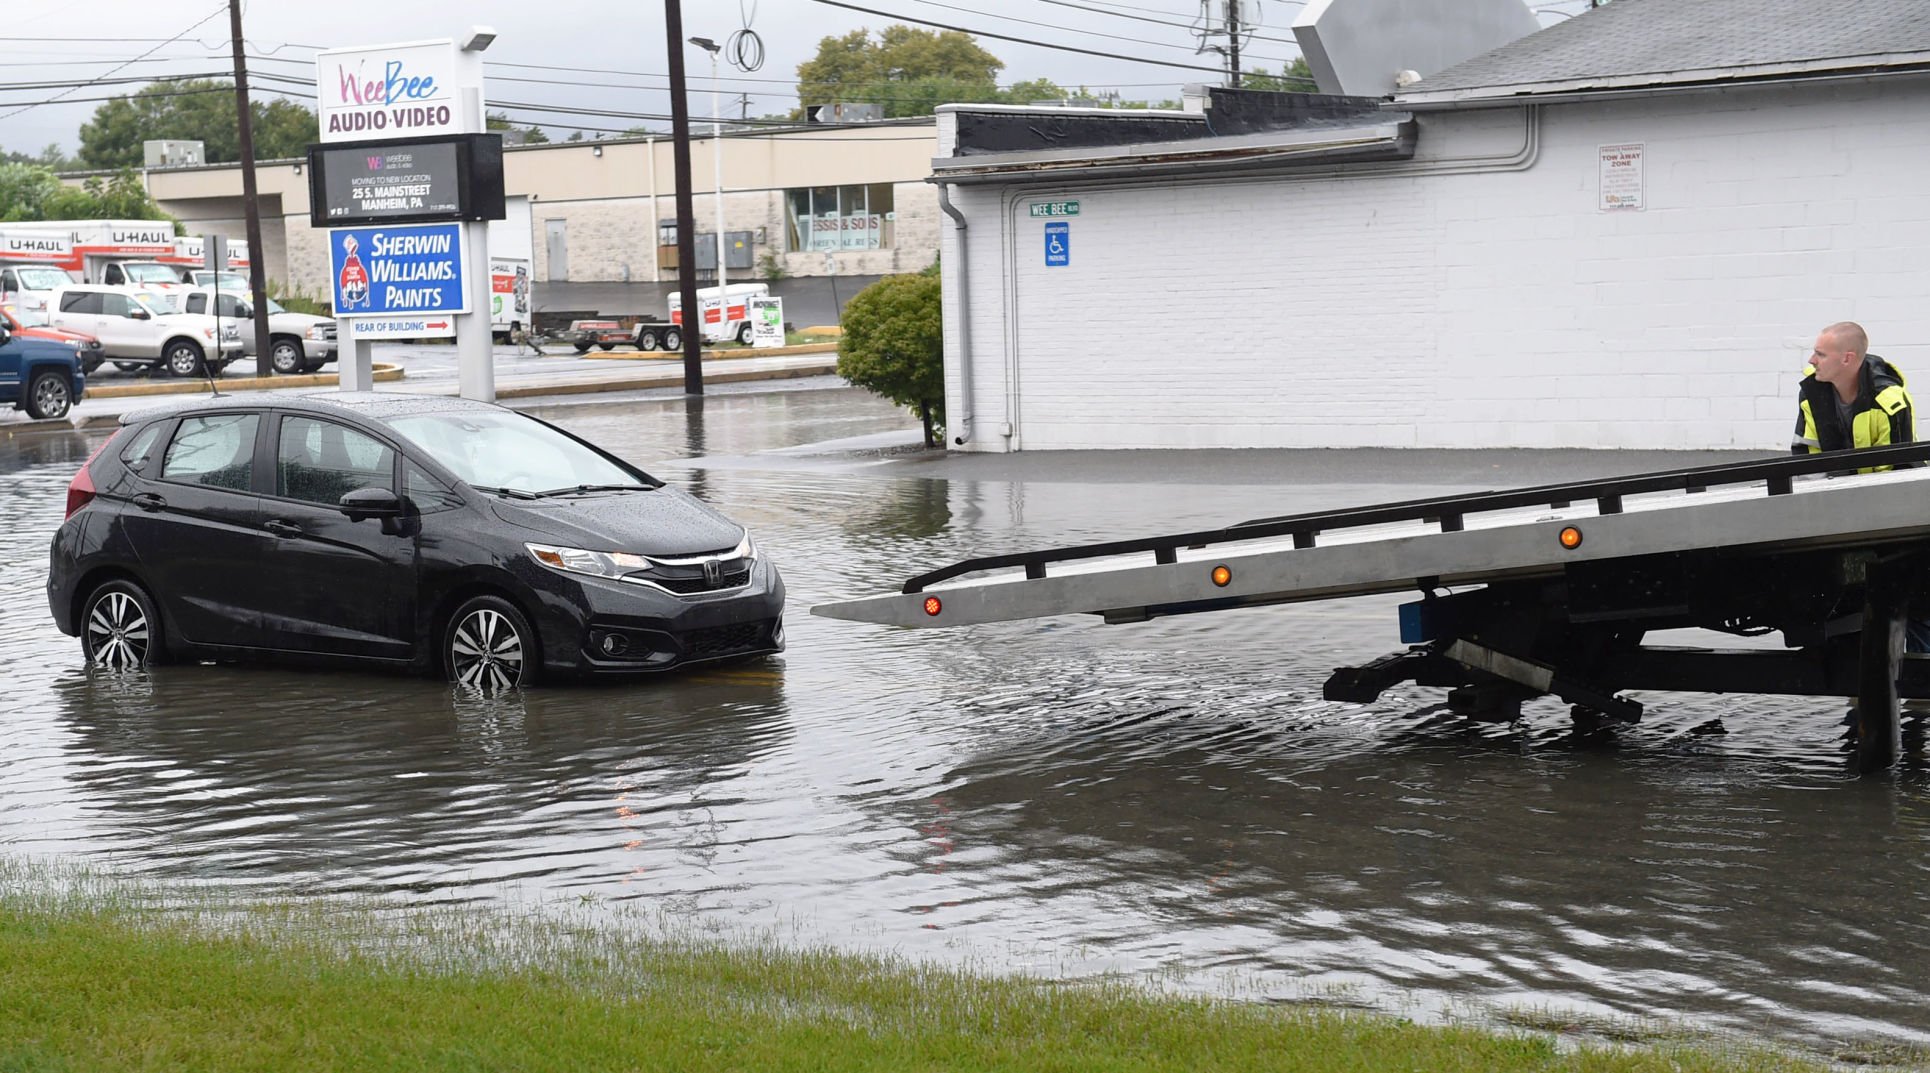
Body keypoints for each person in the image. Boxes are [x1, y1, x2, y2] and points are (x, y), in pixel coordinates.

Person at [1791, 321, 1930, 661]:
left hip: (1888, 515)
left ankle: (1921, 683)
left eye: (1821, 354)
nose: (1812, 360)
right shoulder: (1812, 393)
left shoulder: (1889, 399)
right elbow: (1804, 458)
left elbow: (1899, 468)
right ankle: (1862, 682)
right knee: (1850, 598)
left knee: (1912, 598)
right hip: (1837, 512)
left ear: (1848, 359)